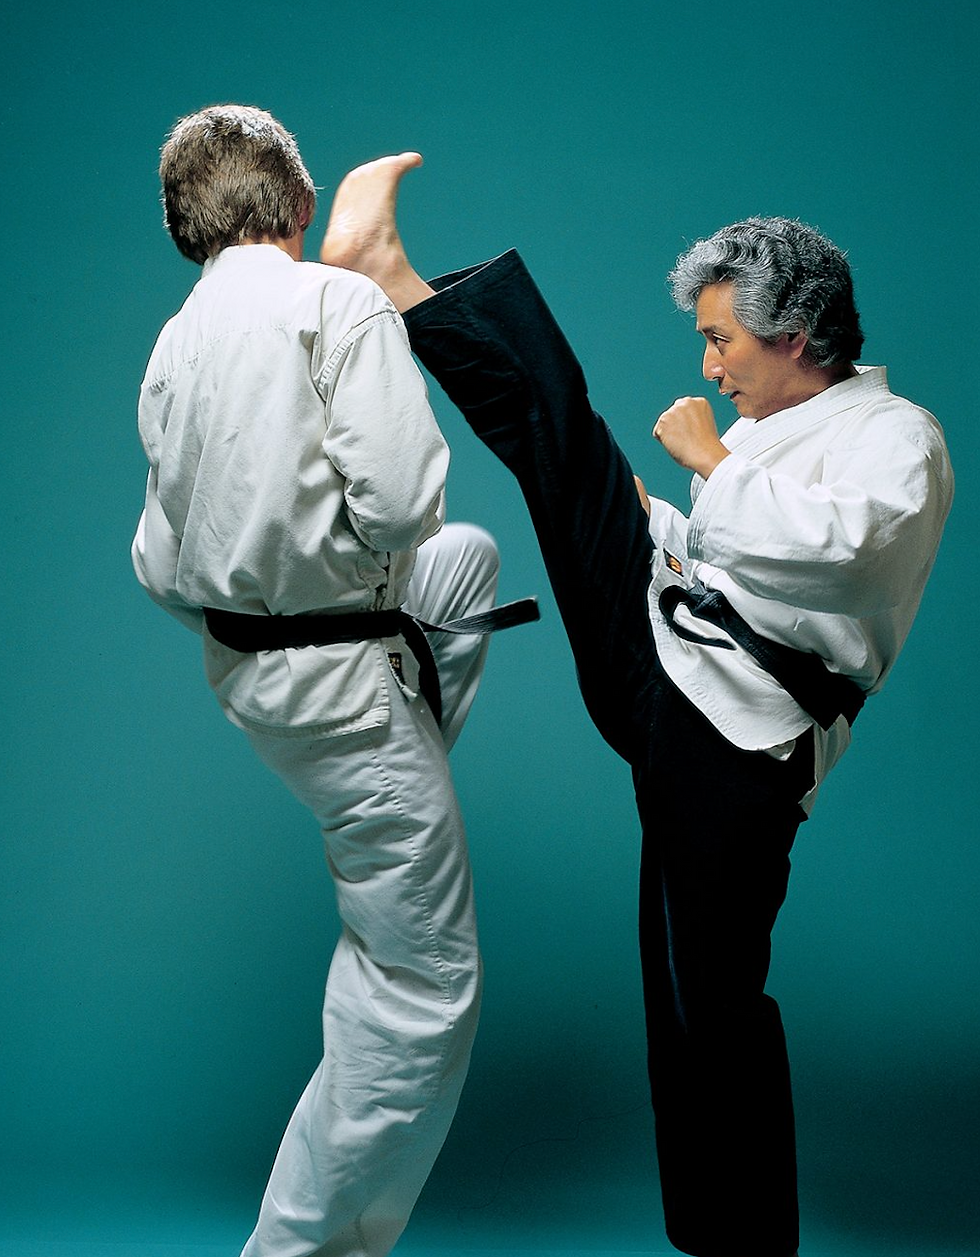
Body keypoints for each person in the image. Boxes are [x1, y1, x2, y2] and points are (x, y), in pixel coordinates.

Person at [318, 154, 953, 1257]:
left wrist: (715, 475)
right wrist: (664, 514)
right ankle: (398, 287)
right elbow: (729, 556)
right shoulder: (760, 438)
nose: (709, 368)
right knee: (571, 457)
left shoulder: (899, 440)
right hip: (677, 671)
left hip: (741, 742)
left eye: (721, 340)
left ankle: (738, 1241)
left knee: (704, 1003)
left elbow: (848, 561)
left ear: (794, 332)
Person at [132, 107, 533, 1257]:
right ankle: (297, 1250)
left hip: (251, 676)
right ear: (299, 208)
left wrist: (268, 570)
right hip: (341, 690)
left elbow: (159, 561)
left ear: (185, 228)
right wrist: (340, 579)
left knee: (466, 568)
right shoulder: (335, 302)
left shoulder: (174, 340)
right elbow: (405, 503)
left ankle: (396, 776)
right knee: (420, 988)